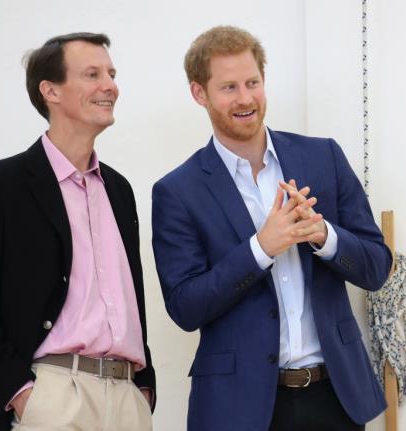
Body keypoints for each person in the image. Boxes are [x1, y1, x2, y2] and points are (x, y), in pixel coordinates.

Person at [152, 26, 391, 431]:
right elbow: (185, 306)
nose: (245, 98)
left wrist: (324, 236)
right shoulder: (177, 191)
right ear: (199, 93)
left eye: (252, 82)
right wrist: (260, 249)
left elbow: (377, 267)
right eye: (228, 87)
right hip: (236, 408)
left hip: (335, 397)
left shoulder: (324, 156)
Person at [0, 32, 155, 431]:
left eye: (111, 73)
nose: (109, 85)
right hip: (53, 398)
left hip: (127, 399)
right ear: (50, 91)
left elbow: (130, 301)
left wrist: (143, 388)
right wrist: (22, 396)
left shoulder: (120, 190)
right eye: (92, 74)